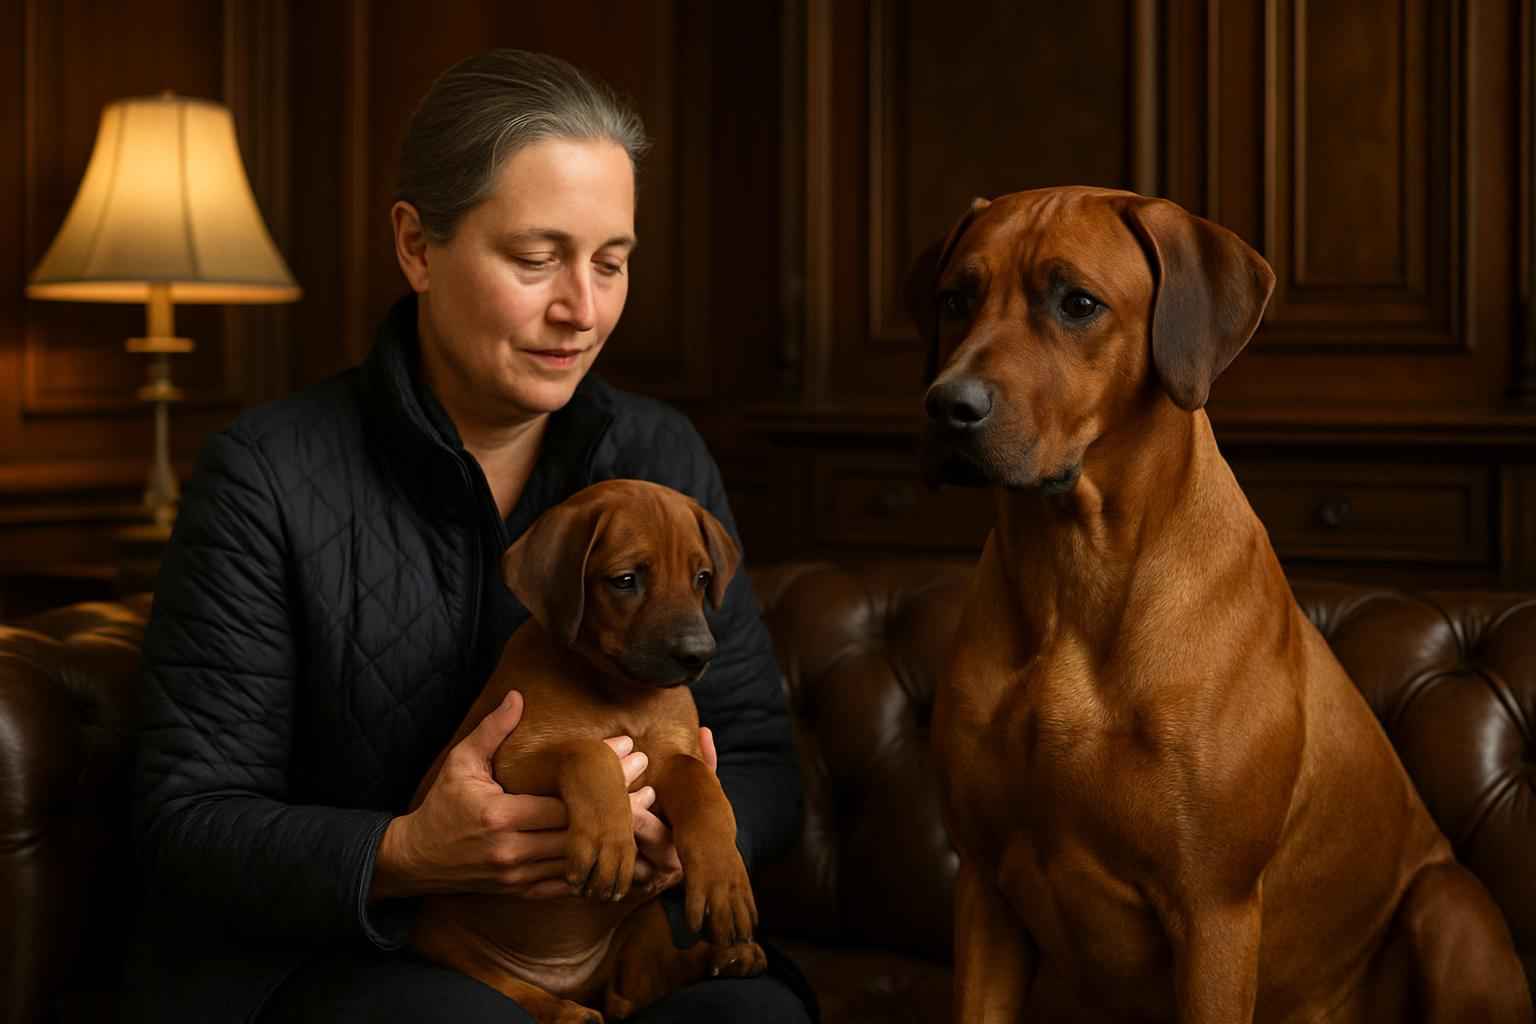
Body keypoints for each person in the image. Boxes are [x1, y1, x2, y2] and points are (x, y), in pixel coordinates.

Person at [127, 49, 814, 1023]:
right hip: (353, 952)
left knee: (754, 1020)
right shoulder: (268, 475)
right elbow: (187, 821)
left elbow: (758, 761)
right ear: (416, 246)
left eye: (611, 262)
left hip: (613, 934)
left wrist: (685, 832)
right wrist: (404, 852)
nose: (582, 307)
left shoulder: (662, 457)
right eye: (536, 260)